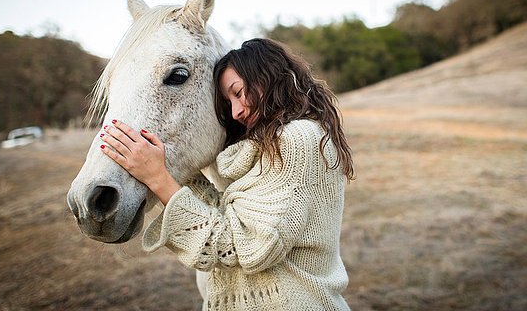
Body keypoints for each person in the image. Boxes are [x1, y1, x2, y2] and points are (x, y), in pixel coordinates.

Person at [100, 38, 355, 310]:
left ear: (269, 77)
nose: (236, 112)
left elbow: (248, 247)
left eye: (238, 92)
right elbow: (231, 219)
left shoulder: (297, 139)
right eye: (228, 102)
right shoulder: (269, 148)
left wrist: (158, 178)